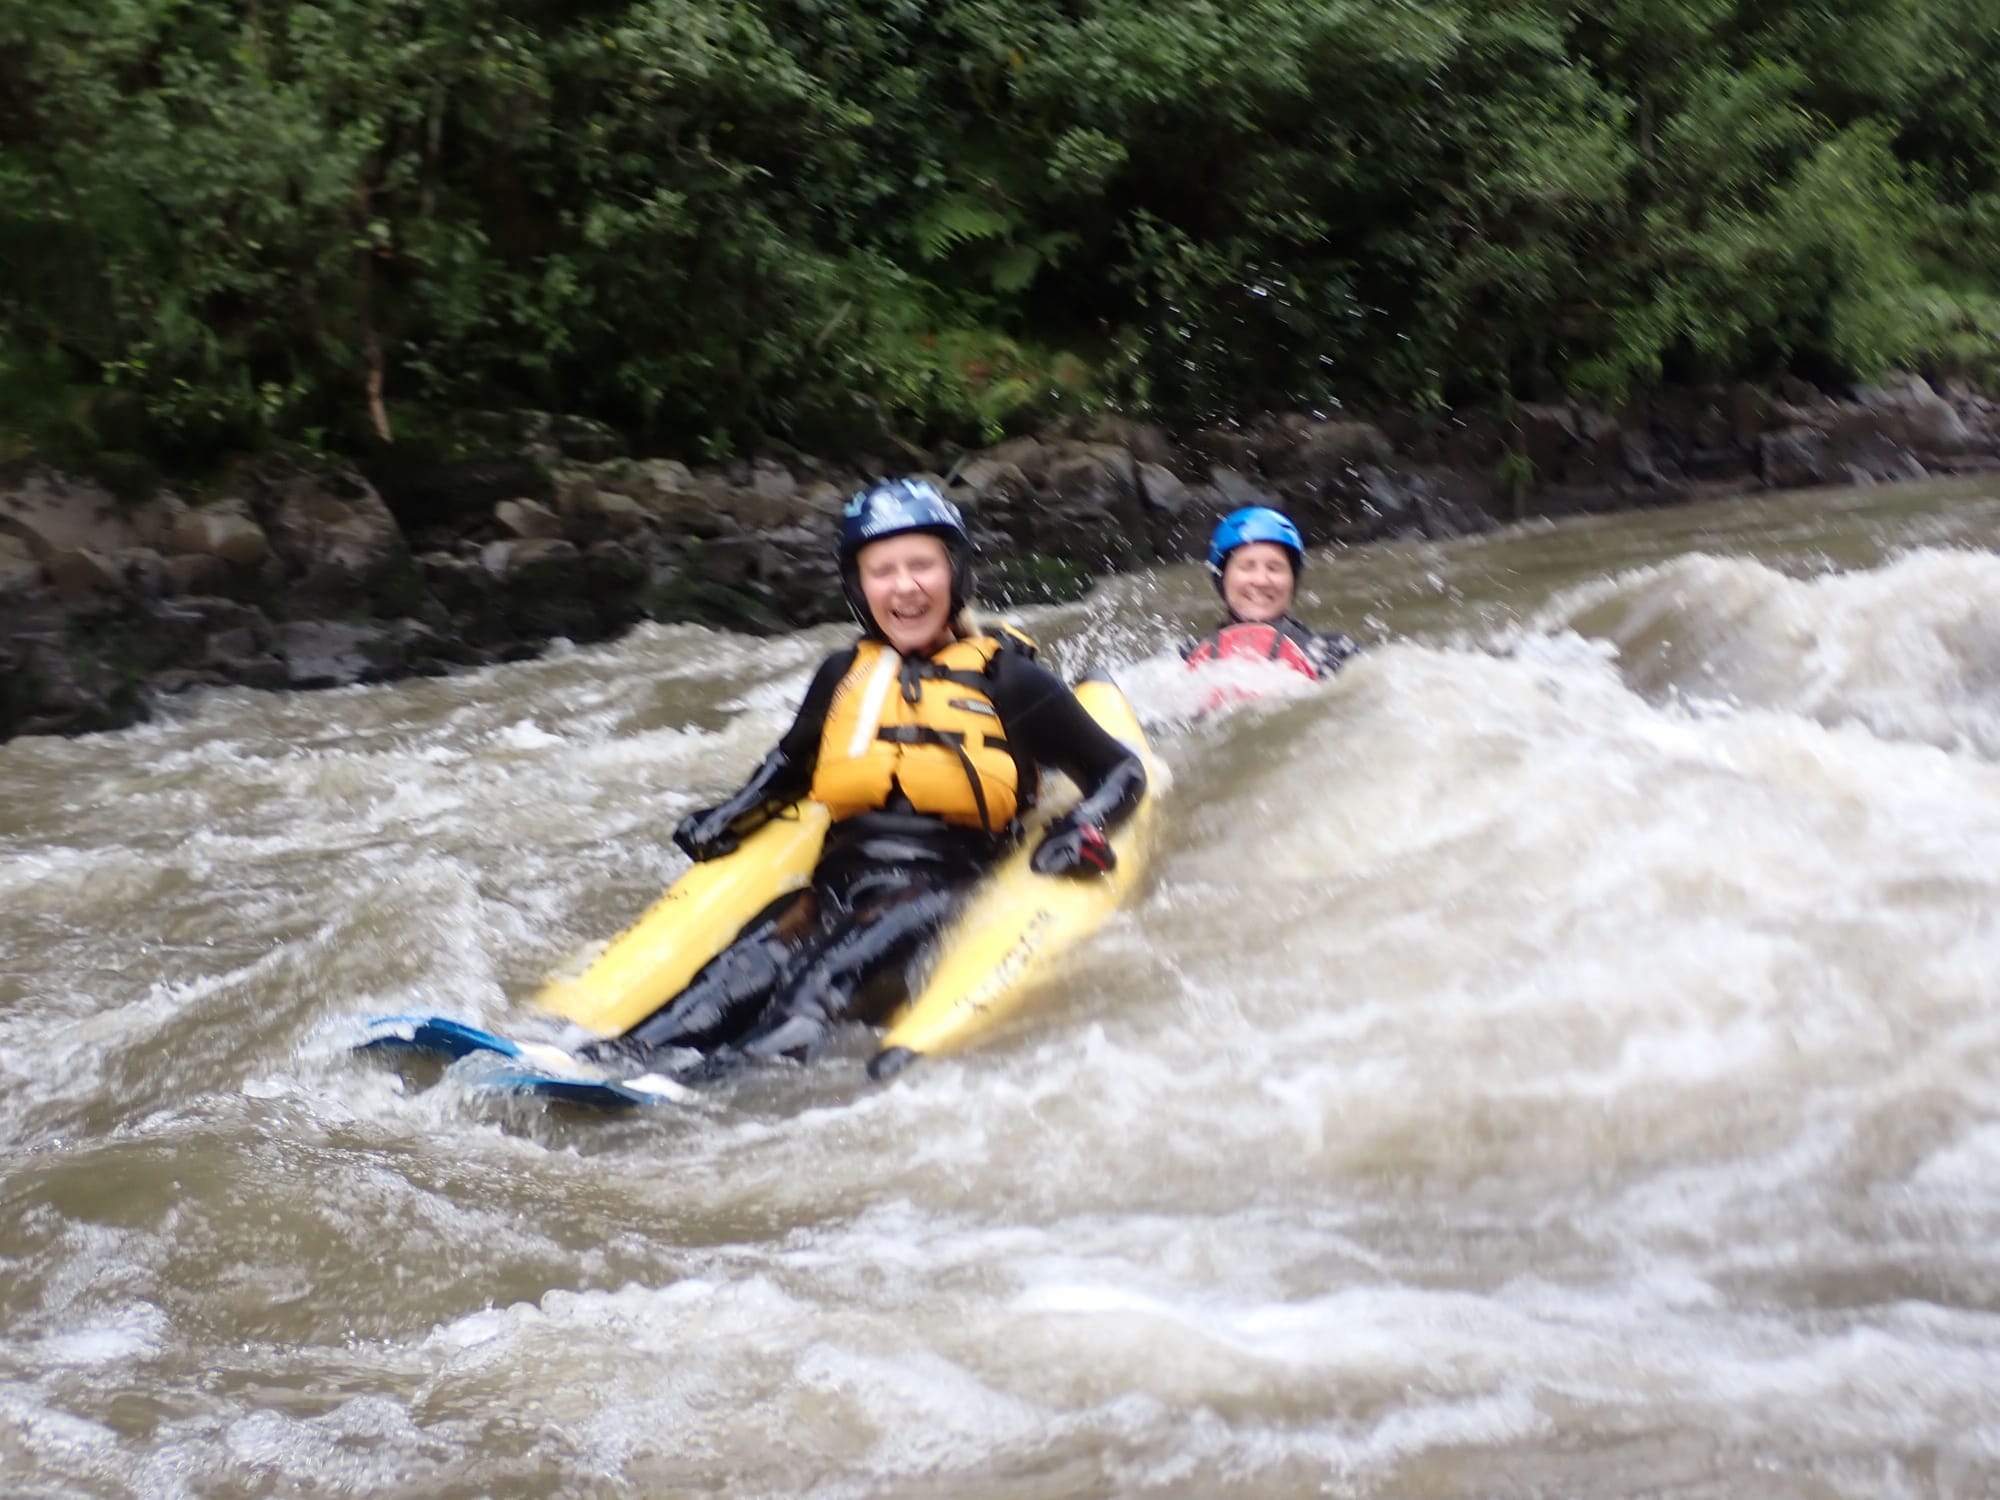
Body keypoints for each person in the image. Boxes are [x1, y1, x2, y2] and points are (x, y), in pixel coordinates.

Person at [582, 478, 1147, 1073]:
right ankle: (613, 1061)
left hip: (935, 892)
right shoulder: (843, 675)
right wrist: (732, 811)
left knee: (818, 982)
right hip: (833, 887)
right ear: (858, 587)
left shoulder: (1011, 682)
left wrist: (1083, 824)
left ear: (956, 572)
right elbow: (791, 764)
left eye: (922, 566)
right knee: (737, 973)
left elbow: (1120, 770)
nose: (904, 587)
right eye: (882, 572)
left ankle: (719, 1084)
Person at [1181, 505, 1356, 681]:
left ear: (1292, 581)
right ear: (1222, 578)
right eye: (1247, 567)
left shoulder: (1332, 652)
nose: (1261, 580)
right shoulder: (1186, 657)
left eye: (1274, 568)